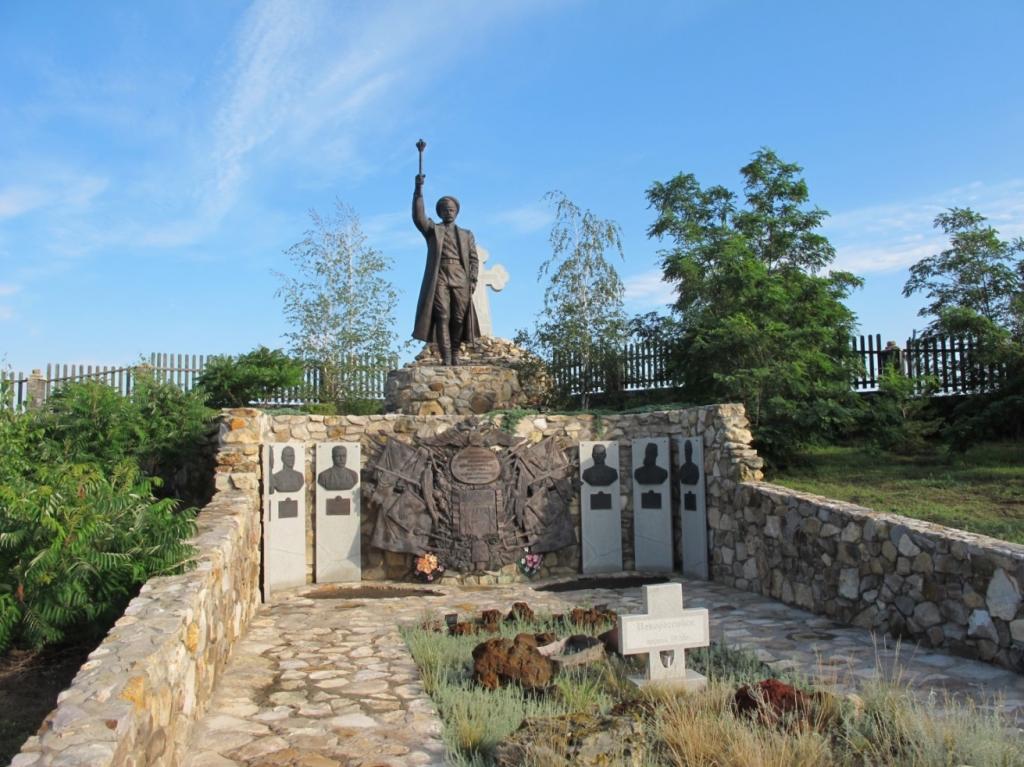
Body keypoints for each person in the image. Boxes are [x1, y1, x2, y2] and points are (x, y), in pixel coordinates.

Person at [411, 173, 480, 365]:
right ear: (440, 212)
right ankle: (447, 357)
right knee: (442, 316)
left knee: (458, 318)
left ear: (457, 212)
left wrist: (472, 279)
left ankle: (456, 351)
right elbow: (418, 218)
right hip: (440, 274)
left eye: (452, 209)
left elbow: (474, 259)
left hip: (460, 276)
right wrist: (418, 191)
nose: (449, 212)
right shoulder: (434, 230)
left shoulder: (466, 235)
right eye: (445, 209)